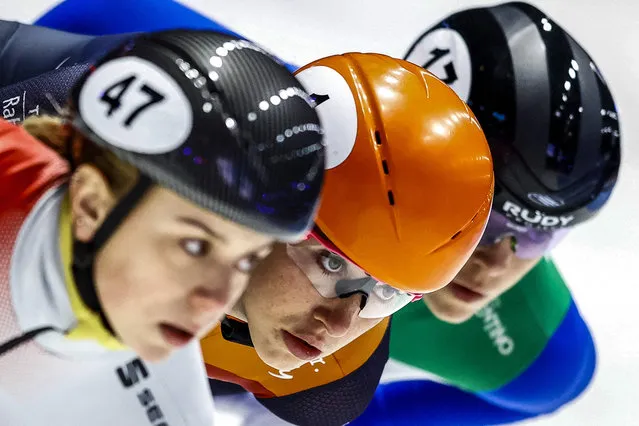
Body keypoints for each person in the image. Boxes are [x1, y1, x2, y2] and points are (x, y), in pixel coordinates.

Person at [13, 8, 495, 425]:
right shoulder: (97, 130)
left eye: (388, 293)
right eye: (330, 265)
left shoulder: (337, 376)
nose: (342, 322)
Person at [0, 27, 325, 425]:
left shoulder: (173, 411)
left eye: (247, 261)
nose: (216, 302)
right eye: (194, 246)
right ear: (91, 205)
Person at [351, 3, 621, 425]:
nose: (497, 265)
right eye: (485, 220)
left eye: (540, 236)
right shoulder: (272, 145)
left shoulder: (540, 361)